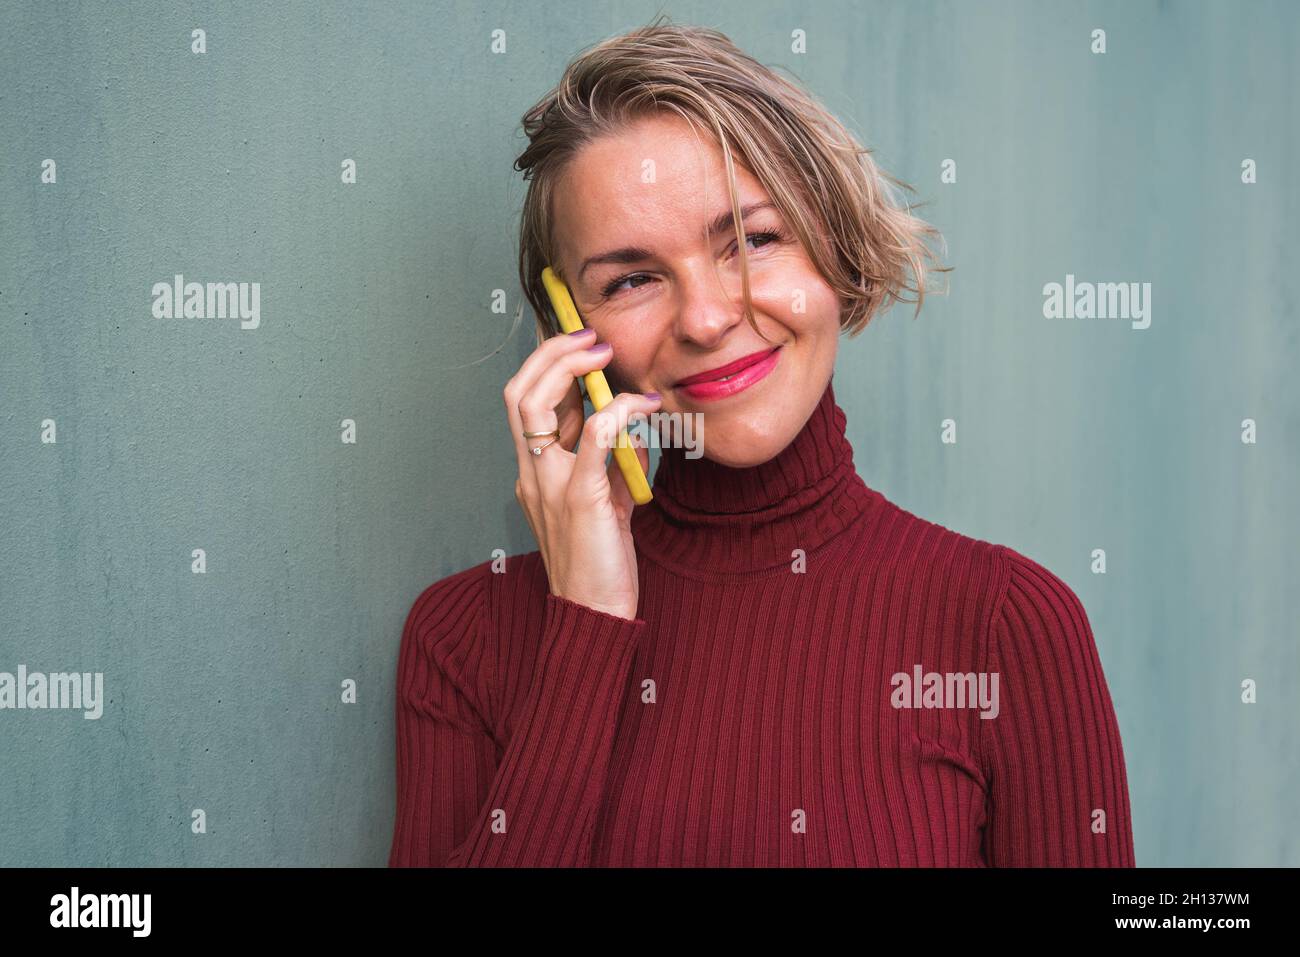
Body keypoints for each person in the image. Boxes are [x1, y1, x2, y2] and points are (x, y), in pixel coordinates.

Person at [388, 18, 1135, 867]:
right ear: (569, 330)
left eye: (752, 240)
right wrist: (586, 629)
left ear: (834, 242)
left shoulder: (1007, 624)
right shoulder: (463, 641)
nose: (707, 319)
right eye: (631, 279)